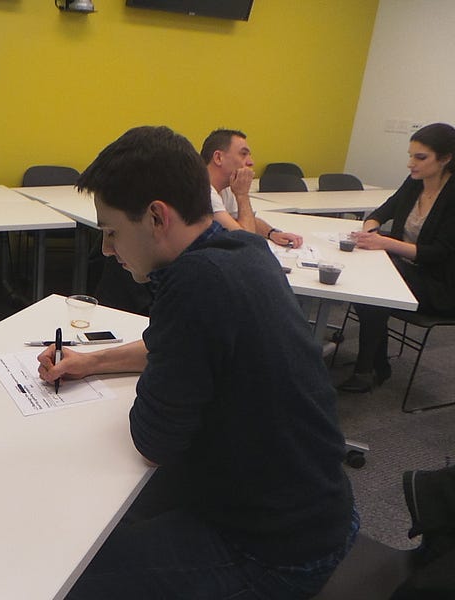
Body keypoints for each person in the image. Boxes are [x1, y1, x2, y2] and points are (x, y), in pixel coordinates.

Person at [38, 126, 356, 599]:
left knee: (65, 578)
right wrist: (91, 362)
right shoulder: (241, 250)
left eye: (111, 232)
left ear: (156, 216)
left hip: (277, 551)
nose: (106, 249)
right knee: (115, 522)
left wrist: (161, 375)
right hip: (320, 508)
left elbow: (153, 442)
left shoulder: (193, 284)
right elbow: (175, 345)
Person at [339, 122, 455, 393]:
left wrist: (385, 243)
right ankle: (372, 366)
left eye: (420, 157)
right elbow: (380, 213)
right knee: (373, 283)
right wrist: (370, 232)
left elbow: (439, 253)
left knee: (374, 286)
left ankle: (371, 367)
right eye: (410, 156)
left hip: (440, 284)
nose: (410, 164)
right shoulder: (414, 183)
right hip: (405, 269)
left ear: (446, 159)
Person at [201, 128, 304, 248]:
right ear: (218, 158)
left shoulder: (225, 188)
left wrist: (272, 233)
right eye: (243, 154)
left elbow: (243, 219)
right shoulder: (203, 192)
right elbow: (247, 242)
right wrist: (242, 195)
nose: (251, 162)